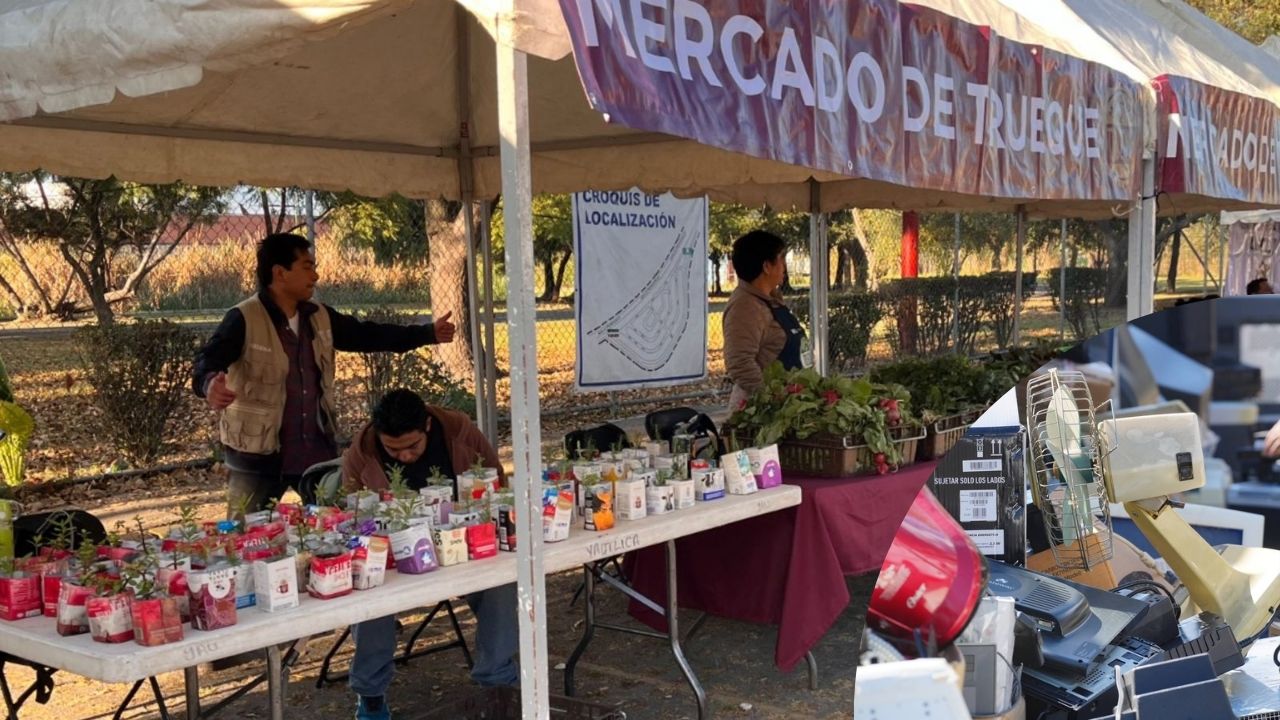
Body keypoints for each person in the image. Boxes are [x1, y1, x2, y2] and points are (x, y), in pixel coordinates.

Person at [193, 232, 456, 516]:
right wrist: (209, 384)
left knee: (336, 529)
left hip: (315, 453)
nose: (315, 275)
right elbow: (208, 359)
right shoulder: (243, 318)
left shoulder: (319, 315)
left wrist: (427, 333)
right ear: (280, 273)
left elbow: (367, 335)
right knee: (244, 537)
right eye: (307, 266)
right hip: (256, 458)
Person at [342, 389, 517, 720]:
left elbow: (497, 483)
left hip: (464, 543)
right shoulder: (362, 452)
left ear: (427, 427)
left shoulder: (460, 431)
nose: (404, 456)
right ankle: (371, 693)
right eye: (393, 450)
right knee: (368, 596)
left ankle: (498, 683)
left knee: (501, 582)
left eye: (412, 446)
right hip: (392, 555)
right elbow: (352, 520)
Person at [722, 230, 808, 409]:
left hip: (788, 404)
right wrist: (771, 398)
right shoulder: (744, 307)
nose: (784, 266)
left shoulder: (771, 299)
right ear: (767, 266)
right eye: (781, 259)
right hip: (761, 412)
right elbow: (740, 363)